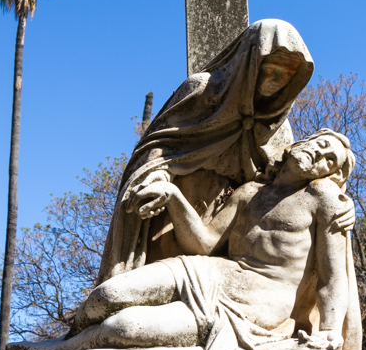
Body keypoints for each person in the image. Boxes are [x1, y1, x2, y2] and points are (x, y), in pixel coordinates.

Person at [10, 130, 361, 350]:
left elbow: (333, 277)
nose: (320, 155)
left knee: (127, 327)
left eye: (330, 160)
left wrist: (330, 331)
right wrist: (174, 196)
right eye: (321, 144)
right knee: (107, 294)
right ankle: (66, 340)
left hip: (256, 303)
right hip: (212, 272)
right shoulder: (249, 193)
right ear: (302, 142)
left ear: (329, 174)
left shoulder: (324, 200)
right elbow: (205, 244)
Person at [98, 19, 316, 282]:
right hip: (172, 216)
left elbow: (285, 184)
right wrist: (157, 178)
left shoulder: (277, 126)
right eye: (271, 70)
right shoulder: (203, 90)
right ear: (251, 61)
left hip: (230, 238)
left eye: (288, 76)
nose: (276, 81)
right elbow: (157, 150)